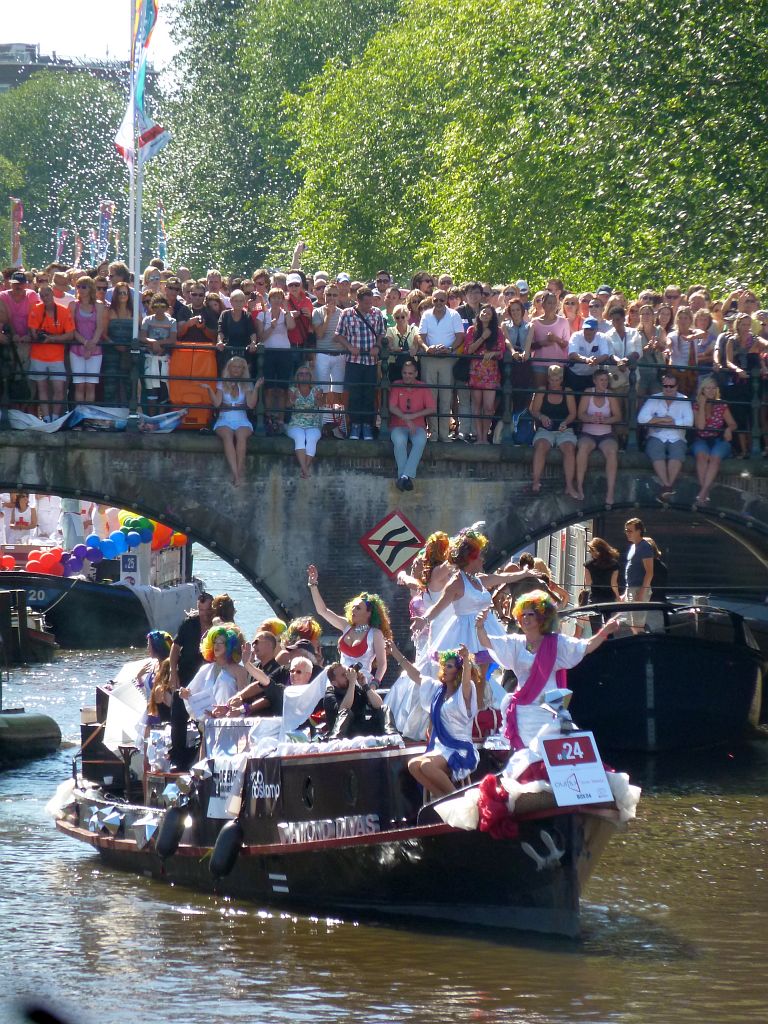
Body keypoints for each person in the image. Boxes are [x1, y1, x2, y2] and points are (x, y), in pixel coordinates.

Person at [476, 594, 619, 749]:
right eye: (522, 614)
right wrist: (480, 627)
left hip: (549, 711)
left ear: (542, 617)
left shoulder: (557, 643)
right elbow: (488, 642)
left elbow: (585, 646)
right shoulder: (516, 643)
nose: (525, 618)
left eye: (530, 614)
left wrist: (604, 632)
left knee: (549, 755)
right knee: (527, 757)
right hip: (524, 713)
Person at [410, 526, 536, 662]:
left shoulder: (478, 579)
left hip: (486, 631)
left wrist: (525, 573)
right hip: (466, 636)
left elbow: (504, 577)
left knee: (484, 677)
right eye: (479, 556)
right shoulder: (456, 583)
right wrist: (423, 620)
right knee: (469, 674)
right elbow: (439, 607)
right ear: (470, 559)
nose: (483, 560)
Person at [407, 645, 478, 797]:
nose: (445, 669)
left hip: (459, 748)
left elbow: (466, 681)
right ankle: (444, 802)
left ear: (458, 671)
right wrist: (395, 653)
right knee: (413, 765)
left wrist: (466, 660)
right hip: (441, 747)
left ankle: (459, 802)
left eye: (450, 666)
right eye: (444, 665)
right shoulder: (439, 690)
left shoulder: (464, 691)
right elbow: (416, 676)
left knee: (427, 766)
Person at [306, 564, 390, 686]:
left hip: (360, 681)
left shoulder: (375, 634)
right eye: (353, 607)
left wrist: (374, 684)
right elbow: (322, 611)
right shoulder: (346, 626)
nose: (353, 610)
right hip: (339, 680)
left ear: (369, 613)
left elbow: (382, 664)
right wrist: (313, 585)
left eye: (358, 608)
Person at [335, 287, 386, 440]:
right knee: (355, 395)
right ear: (358, 301)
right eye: (366, 303)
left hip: (370, 361)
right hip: (353, 361)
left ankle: (368, 426)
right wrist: (349, 347)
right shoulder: (347, 314)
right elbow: (338, 335)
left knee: (369, 395)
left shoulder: (377, 313)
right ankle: (355, 426)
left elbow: (381, 333)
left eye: (371, 302)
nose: (369, 305)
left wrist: (377, 346)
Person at [417, 289, 465, 442]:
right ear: (432, 300)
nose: (438, 303)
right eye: (435, 300)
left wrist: (450, 349)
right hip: (429, 359)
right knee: (430, 397)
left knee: (445, 397)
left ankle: (444, 434)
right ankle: (433, 433)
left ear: (446, 301)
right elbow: (421, 335)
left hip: (447, 359)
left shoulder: (454, 315)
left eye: (441, 300)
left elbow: (460, 336)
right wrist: (426, 348)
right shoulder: (426, 315)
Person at [637, 372, 694, 500]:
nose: (668, 389)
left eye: (671, 386)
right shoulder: (654, 398)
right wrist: (664, 420)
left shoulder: (684, 400)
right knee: (656, 451)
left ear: (676, 386)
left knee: (677, 453)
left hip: (677, 437)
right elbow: (641, 419)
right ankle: (668, 486)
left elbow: (689, 422)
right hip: (656, 436)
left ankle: (666, 487)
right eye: (665, 386)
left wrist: (672, 422)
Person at [205, 356, 261, 486]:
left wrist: (256, 388)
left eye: (239, 367)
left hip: (241, 418)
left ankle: (238, 473)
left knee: (241, 437)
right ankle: (235, 474)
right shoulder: (222, 382)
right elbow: (217, 403)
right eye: (234, 367)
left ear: (243, 370)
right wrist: (209, 389)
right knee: (227, 437)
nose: (236, 369)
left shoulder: (247, 383)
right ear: (229, 368)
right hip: (225, 418)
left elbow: (251, 405)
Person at [529, 364, 579, 497]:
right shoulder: (541, 391)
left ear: (561, 379)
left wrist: (565, 422)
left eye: (557, 380)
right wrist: (541, 416)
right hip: (546, 430)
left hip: (564, 429)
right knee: (541, 446)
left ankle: (569, 486)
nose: (554, 383)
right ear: (548, 378)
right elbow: (534, 410)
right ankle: (536, 482)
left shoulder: (567, 392)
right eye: (552, 379)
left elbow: (573, 414)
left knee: (569, 448)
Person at [179, 625, 249, 719]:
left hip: (231, 723)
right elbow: (193, 697)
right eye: (214, 642)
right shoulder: (205, 669)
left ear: (230, 645)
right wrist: (185, 694)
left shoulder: (239, 670)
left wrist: (228, 709)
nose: (216, 645)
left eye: (221, 642)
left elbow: (244, 699)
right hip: (210, 724)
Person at [27, 284, 75, 420]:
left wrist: (52, 338)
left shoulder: (64, 311)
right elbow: (33, 332)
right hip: (38, 356)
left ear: (52, 294)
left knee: (59, 389)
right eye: (42, 296)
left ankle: (55, 417)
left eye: (47, 295)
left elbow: (70, 334)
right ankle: (46, 418)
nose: (45, 298)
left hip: (57, 357)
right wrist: (40, 336)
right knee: (42, 388)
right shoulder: (36, 310)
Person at [575, 367, 622, 505]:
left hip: (606, 434)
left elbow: (618, 416)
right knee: (582, 449)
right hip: (588, 433)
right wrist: (590, 418)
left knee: (612, 453)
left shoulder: (610, 395)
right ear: (594, 381)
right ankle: (579, 485)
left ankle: (610, 491)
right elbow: (580, 414)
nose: (604, 383)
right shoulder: (587, 393)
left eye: (606, 380)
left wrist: (607, 420)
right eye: (601, 380)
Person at [388, 357, 436, 491]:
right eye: (404, 373)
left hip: (418, 426)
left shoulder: (423, 387)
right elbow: (392, 407)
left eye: (410, 373)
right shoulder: (397, 384)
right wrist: (406, 419)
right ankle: (405, 477)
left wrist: (413, 417)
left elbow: (432, 408)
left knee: (421, 441)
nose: (407, 376)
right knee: (400, 441)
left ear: (416, 374)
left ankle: (403, 477)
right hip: (398, 425)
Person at [692, 375, 736, 505]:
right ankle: (705, 494)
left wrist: (729, 429)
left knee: (715, 457)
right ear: (702, 390)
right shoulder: (696, 405)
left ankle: (703, 493)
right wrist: (702, 405)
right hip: (701, 438)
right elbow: (700, 426)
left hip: (718, 439)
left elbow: (733, 424)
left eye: (713, 388)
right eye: (707, 388)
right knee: (701, 456)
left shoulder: (721, 404)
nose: (711, 391)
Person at [465, 304, 504, 444]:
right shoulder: (471, 330)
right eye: (483, 311)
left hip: (491, 373)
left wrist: (494, 352)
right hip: (476, 371)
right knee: (477, 405)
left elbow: (501, 351)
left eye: (488, 312)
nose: (485, 314)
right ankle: (479, 437)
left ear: (493, 316)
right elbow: (468, 350)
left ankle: (485, 436)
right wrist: (482, 337)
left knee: (488, 407)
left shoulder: (498, 331)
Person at [322, 662, 389, 738]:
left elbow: (379, 704)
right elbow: (344, 709)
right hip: (344, 734)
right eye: (344, 675)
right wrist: (352, 683)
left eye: (348, 673)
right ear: (334, 683)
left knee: (384, 708)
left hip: (360, 730)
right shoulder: (330, 695)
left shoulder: (356, 689)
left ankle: (392, 735)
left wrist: (365, 685)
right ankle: (335, 741)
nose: (348, 676)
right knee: (346, 712)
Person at [71, 276, 106, 404]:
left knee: (91, 385)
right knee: (79, 385)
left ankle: (88, 416)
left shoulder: (99, 305)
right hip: (76, 349)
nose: (80, 289)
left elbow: (100, 327)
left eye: (84, 286)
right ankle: (80, 415)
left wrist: (91, 345)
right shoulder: (73, 305)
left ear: (90, 288)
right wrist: (85, 343)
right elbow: (72, 328)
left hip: (95, 349)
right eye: (78, 286)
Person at [140, 292, 176, 415]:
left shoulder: (172, 321)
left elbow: (172, 339)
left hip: (165, 360)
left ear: (166, 307)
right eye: (156, 306)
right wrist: (153, 342)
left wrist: (159, 343)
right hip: (150, 359)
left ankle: (161, 417)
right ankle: (151, 418)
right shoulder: (147, 320)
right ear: (152, 307)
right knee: (151, 389)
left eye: (162, 306)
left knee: (164, 389)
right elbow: (142, 337)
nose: (159, 309)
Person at [169, 592, 215, 689]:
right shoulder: (189, 624)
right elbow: (175, 647)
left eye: (208, 609)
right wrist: (173, 672)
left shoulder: (219, 627)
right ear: (198, 609)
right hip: (185, 674)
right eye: (201, 610)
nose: (205, 613)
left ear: (214, 609)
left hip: (208, 679)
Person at [286, 364, 323, 478]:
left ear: (311, 377)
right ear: (297, 377)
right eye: (301, 374)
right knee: (300, 437)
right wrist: (293, 399)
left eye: (307, 374)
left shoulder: (317, 390)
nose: (304, 376)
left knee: (312, 438)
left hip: (313, 424)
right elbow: (287, 405)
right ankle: (305, 470)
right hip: (296, 424)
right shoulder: (292, 389)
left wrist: (318, 398)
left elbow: (321, 405)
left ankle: (304, 469)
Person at [529, 290, 570, 385]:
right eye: (549, 303)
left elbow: (566, 345)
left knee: (556, 391)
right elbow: (530, 346)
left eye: (554, 303)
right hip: (539, 363)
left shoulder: (563, 321)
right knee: (540, 391)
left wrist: (556, 339)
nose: (552, 306)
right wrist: (543, 343)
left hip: (558, 363)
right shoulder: (534, 322)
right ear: (543, 304)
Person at [621, 518, 655, 633]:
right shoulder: (633, 546)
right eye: (626, 530)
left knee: (638, 624)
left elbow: (649, 572)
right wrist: (626, 592)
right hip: (631, 589)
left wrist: (642, 592)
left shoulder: (644, 547)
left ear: (639, 531)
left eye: (630, 531)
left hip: (639, 589)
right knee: (632, 623)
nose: (627, 533)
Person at [566, 316, 614, 394]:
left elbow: (605, 354)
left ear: (596, 330)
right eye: (586, 329)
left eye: (591, 329)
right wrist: (586, 360)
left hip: (592, 375)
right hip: (575, 374)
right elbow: (572, 353)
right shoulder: (576, 336)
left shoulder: (602, 337)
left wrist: (596, 360)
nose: (588, 331)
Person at [105, 281, 133, 406]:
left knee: (129, 384)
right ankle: (110, 412)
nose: (122, 295)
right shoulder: (109, 312)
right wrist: (113, 344)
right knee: (110, 384)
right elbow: (103, 333)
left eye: (125, 293)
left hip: (129, 352)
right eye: (120, 293)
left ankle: (129, 412)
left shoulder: (134, 312)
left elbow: (140, 331)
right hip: (111, 352)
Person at [216, 289, 256, 370]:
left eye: (241, 301)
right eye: (236, 301)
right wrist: (220, 342)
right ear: (231, 301)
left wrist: (253, 343)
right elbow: (220, 331)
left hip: (244, 353)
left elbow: (252, 333)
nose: (238, 303)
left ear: (244, 302)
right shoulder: (225, 314)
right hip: (227, 352)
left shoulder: (247, 316)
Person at [134, 630, 173, 700]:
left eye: (149, 645)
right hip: (151, 709)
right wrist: (139, 677)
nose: (147, 648)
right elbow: (148, 696)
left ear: (157, 647)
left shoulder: (169, 668)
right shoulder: (152, 665)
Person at [583, 537, 621, 605]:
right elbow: (613, 583)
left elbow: (588, 583)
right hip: (609, 597)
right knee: (610, 615)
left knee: (594, 614)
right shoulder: (614, 564)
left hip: (595, 597)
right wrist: (617, 596)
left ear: (597, 551)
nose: (590, 553)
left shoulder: (588, 565)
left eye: (591, 551)